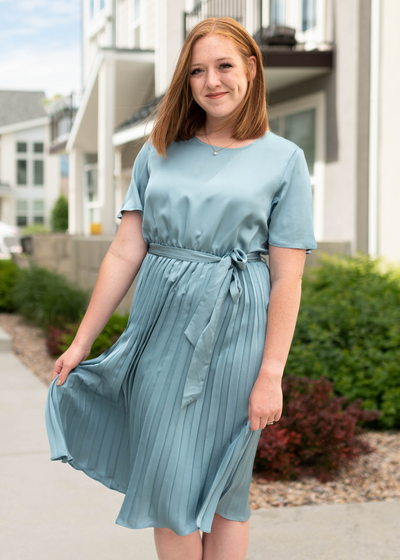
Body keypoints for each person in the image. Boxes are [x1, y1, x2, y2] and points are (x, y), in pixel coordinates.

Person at [45, 16, 317, 560]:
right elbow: (125, 251)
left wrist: (270, 376)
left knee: (226, 495)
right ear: (185, 81)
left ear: (251, 69)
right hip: (161, 337)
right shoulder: (159, 150)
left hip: (240, 339)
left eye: (223, 66)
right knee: (169, 483)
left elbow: (288, 275)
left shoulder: (285, 159)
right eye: (197, 71)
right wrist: (81, 342)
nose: (211, 81)